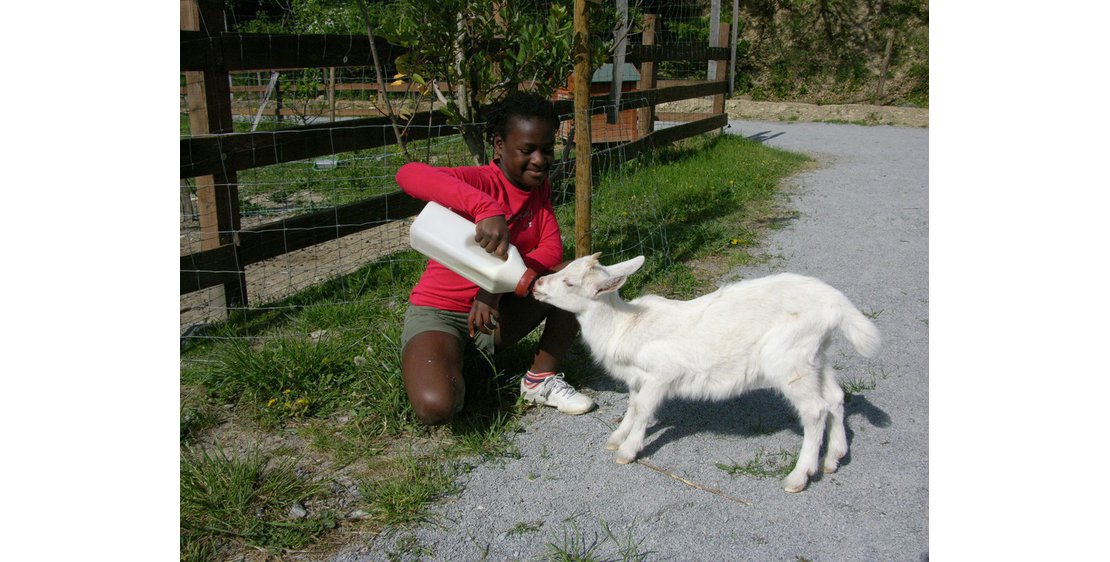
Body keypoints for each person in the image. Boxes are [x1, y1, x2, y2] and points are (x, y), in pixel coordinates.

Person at [395, 91, 595, 425]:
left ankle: (538, 380)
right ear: (500, 145)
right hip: (440, 314)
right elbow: (408, 174)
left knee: (577, 276)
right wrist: (485, 207)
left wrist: (493, 287)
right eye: (527, 150)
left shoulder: (537, 190)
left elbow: (551, 249)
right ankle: (450, 363)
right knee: (437, 407)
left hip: (495, 316)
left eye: (547, 149)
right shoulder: (481, 183)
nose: (540, 160)